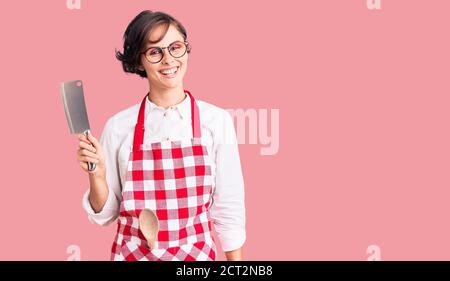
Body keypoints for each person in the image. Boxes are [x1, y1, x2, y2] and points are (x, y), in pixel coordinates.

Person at [76, 10, 246, 261]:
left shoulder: (216, 121)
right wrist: (97, 176)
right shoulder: (118, 126)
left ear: (186, 50)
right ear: (138, 61)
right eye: (155, 51)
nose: (168, 59)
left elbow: (229, 208)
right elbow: (106, 215)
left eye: (175, 47)